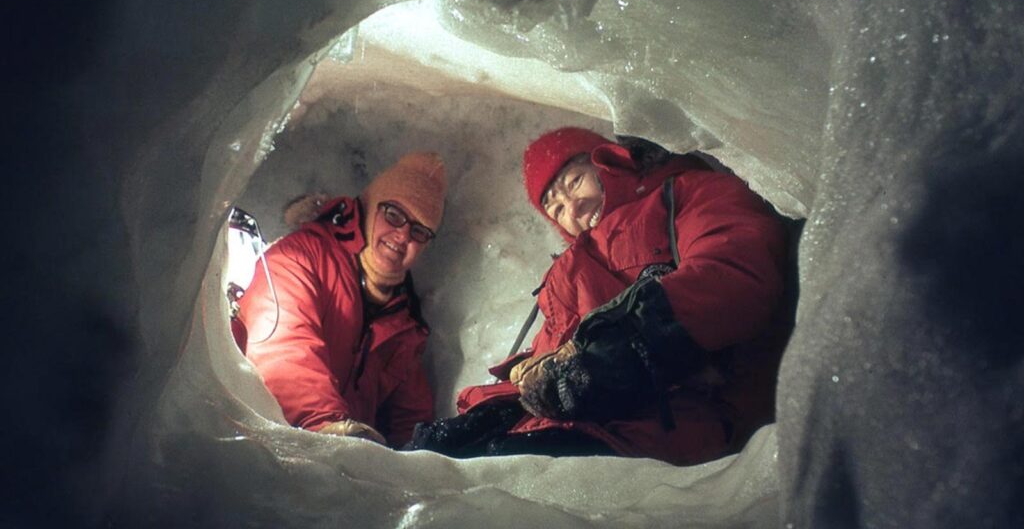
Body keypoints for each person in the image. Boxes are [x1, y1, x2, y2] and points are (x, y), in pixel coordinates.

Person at [408, 128, 789, 465]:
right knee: (427, 457)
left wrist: (628, 343)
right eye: (555, 207)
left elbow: (736, 271)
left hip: (678, 416)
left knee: (496, 481)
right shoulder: (567, 271)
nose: (572, 208)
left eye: (574, 183)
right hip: (587, 422)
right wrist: (504, 402)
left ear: (607, 163)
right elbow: (558, 369)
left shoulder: (684, 194)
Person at [236, 152, 447, 447]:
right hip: (276, 448)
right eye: (394, 215)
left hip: (346, 465)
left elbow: (410, 418)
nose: (402, 235)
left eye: (419, 231)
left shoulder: (403, 321)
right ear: (370, 206)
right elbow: (283, 350)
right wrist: (326, 424)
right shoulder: (297, 259)